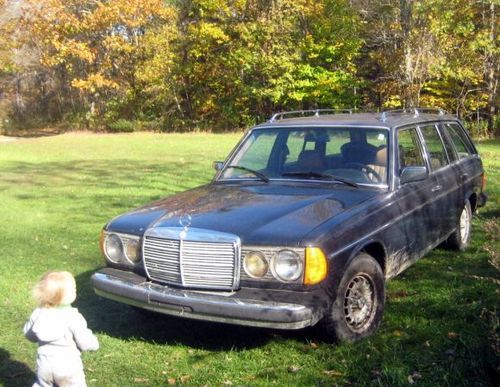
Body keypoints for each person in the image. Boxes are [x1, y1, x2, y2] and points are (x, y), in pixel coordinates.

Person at [23, 271, 99, 387]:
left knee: (43, 384)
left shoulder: (38, 313)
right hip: (67, 365)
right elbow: (84, 342)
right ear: (63, 296)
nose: (75, 290)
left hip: (44, 364)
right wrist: (94, 344)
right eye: (73, 289)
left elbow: (29, 335)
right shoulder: (73, 316)